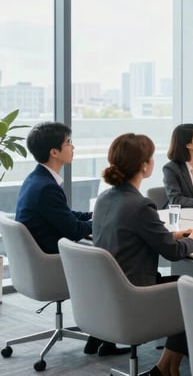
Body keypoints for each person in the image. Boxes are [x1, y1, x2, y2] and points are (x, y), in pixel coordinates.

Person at [93, 133, 193, 376]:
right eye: (151, 157)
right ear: (144, 166)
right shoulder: (140, 205)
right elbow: (174, 253)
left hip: (108, 293)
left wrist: (173, 235)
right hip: (135, 295)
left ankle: (166, 367)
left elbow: (129, 235)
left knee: (184, 286)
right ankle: (166, 368)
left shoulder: (104, 198)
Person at [14, 122, 128, 356]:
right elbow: (73, 230)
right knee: (109, 268)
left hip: (36, 261)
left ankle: (99, 337)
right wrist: (104, 221)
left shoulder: (37, 179)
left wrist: (91, 215)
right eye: (68, 143)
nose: (73, 147)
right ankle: (106, 336)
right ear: (54, 152)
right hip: (50, 265)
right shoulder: (47, 187)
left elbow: (62, 217)